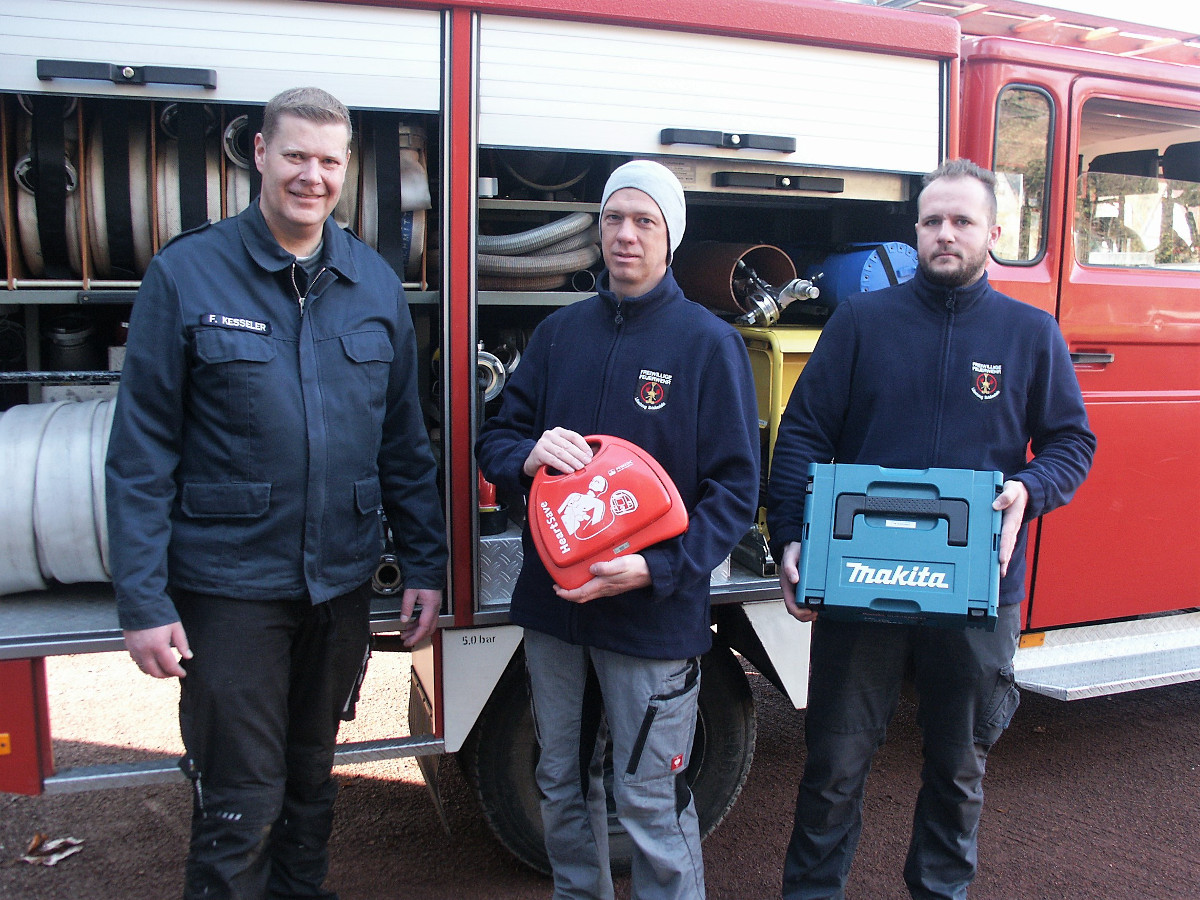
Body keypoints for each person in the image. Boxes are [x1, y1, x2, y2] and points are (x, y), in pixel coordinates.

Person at [105, 86, 446, 900]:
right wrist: (143, 600)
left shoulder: (371, 282)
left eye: (329, 161)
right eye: (295, 155)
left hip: (336, 586)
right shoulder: (187, 274)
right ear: (259, 153)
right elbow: (142, 449)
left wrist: (426, 565)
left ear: (347, 168)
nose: (312, 176)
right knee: (239, 802)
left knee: (310, 786)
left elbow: (404, 441)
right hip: (230, 591)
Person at [766, 159, 1096, 900]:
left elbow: (1074, 444)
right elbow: (804, 433)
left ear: (994, 235)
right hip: (862, 584)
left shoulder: (1031, 334)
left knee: (957, 769)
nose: (945, 234)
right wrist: (792, 536)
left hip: (979, 589)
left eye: (962, 221)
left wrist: (1028, 488)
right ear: (915, 230)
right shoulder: (862, 323)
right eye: (931, 221)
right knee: (834, 767)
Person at [475, 160, 760, 900]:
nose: (625, 235)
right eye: (613, 219)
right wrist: (527, 454)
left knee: (648, 800)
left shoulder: (708, 344)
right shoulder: (559, 334)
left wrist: (659, 570)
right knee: (559, 782)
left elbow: (734, 491)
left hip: (652, 614)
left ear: (671, 237)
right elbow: (496, 441)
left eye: (644, 221)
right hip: (556, 610)